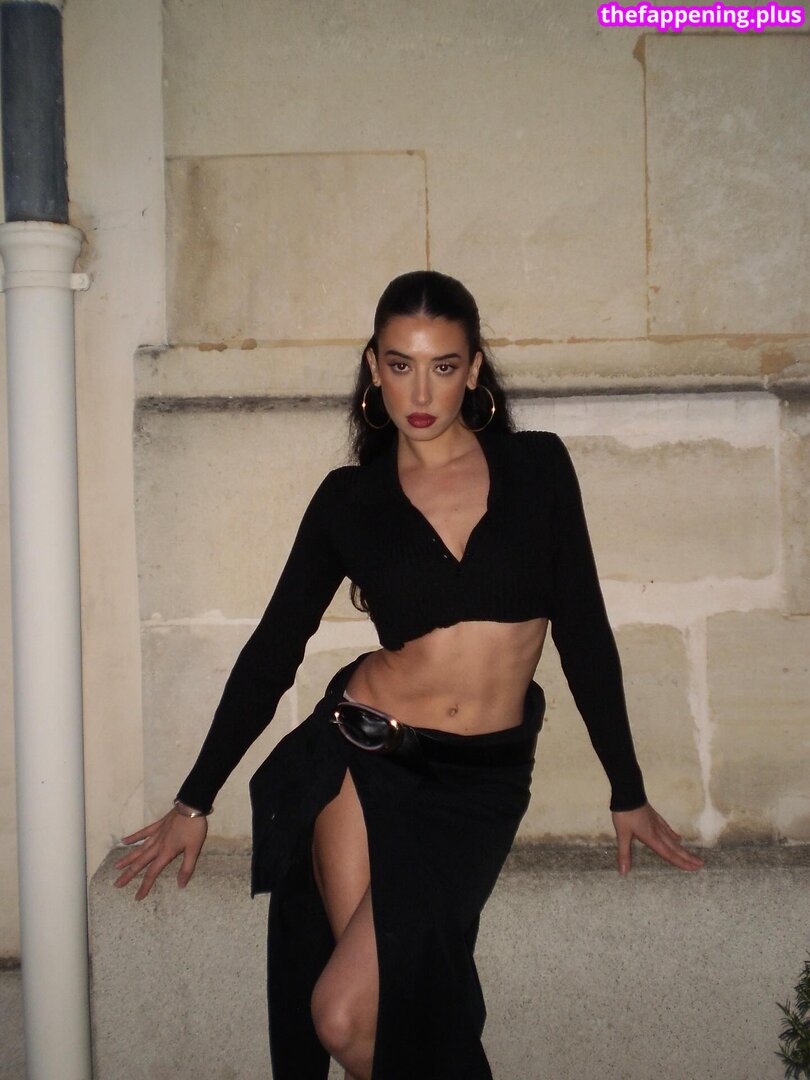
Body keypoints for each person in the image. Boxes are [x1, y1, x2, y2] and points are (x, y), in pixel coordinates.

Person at [114, 270, 704, 1080]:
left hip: (479, 782)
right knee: (354, 1016)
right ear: (373, 367)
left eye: (443, 366)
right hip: (360, 756)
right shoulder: (349, 500)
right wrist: (195, 799)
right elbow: (274, 648)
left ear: (474, 368)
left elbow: (586, 633)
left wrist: (626, 788)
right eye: (400, 365)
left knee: (372, 1011)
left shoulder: (538, 467)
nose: (420, 393)